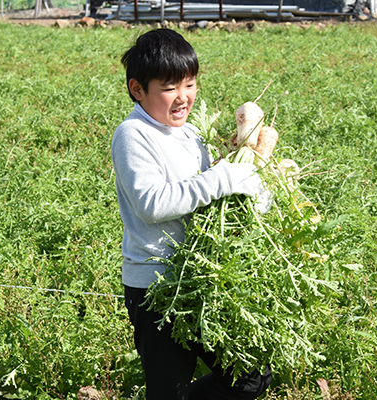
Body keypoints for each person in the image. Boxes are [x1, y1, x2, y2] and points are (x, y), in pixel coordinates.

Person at [111, 28, 272, 400]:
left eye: (190, 84)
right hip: (157, 285)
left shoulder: (191, 134)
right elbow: (151, 203)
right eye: (169, 87)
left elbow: (209, 198)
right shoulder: (133, 134)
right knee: (170, 390)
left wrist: (253, 190)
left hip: (202, 277)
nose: (183, 97)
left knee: (250, 375)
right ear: (138, 89)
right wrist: (221, 178)